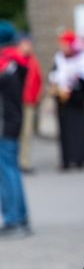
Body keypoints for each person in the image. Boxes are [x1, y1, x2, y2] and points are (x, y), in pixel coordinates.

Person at [0, 20, 32, 238]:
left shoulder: (4, 65)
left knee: (8, 172)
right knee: (11, 171)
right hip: (12, 121)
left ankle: (14, 219)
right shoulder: (16, 62)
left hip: (4, 124)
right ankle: (19, 216)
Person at [49, 30, 84, 170]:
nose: (63, 47)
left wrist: (76, 82)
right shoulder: (59, 58)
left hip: (77, 99)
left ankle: (79, 158)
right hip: (63, 101)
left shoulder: (82, 58)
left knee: (78, 130)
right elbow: (53, 74)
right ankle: (66, 159)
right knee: (64, 131)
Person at [18, 35, 44, 173]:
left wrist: (37, 96)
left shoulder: (33, 61)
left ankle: (24, 161)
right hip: (15, 103)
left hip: (28, 102)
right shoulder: (15, 61)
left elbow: (38, 79)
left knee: (26, 133)